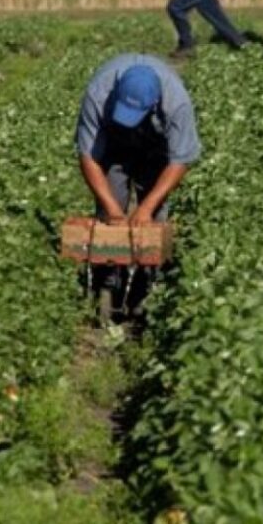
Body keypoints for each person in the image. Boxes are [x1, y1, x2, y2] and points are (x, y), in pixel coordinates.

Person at [75, 54, 201, 323]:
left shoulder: (176, 102)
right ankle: (109, 280)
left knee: (153, 221)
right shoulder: (99, 93)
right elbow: (88, 157)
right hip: (114, 145)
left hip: (156, 149)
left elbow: (180, 160)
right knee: (111, 216)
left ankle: (146, 286)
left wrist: (145, 208)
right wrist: (111, 208)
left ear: (154, 104)